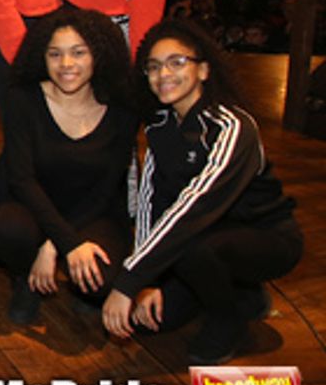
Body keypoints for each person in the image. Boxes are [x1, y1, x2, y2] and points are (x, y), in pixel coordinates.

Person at [104, 19, 301, 364]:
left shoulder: (233, 127)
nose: (163, 73)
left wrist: (129, 281)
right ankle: (241, 294)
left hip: (265, 238)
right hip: (200, 239)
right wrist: (149, 283)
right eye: (153, 66)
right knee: (153, 323)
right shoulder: (160, 128)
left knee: (198, 249)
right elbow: (152, 205)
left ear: (204, 70)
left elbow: (194, 207)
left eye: (176, 62)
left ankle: (230, 319)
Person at [0, 9, 135, 326]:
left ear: (99, 54)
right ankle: (25, 278)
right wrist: (63, 241)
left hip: (93, 209)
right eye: (55, 54)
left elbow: (108, 188)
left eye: (78, 53)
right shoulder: (24, 98)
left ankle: (73, 279)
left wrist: (56, 244)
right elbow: (22, 180)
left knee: (101, 278)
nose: (66, 65)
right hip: (32, 204)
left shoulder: (122, 105)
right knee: (8, 231)